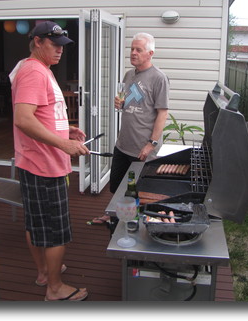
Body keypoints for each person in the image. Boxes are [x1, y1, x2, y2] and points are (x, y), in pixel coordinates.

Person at [9, 21, 90, 301]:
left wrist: (65, 130)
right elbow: (23, 120)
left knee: (37, 224)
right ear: (38, 42)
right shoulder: (33, 71)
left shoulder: (40, 69)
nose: (60, 51)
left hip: (37, 162)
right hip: (43, 165)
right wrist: (63, 144)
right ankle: (54, 289)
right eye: (54, 45)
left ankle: (44, 272)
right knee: (55, 231)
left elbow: (39, 115)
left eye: (62, 46)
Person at [89, 32, 169, 225]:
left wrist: (151, 144)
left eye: (138, 50)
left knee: (138, 189)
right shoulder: (129, 74)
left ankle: (133, 224)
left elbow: (162, 113)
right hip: (123, 143)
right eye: (132, 49)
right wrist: (120, 103)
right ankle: (113, 215)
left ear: (150, 53)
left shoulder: (159, 78)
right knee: (116, 185)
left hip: (142, 148)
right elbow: (128, 103)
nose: (133, 53)